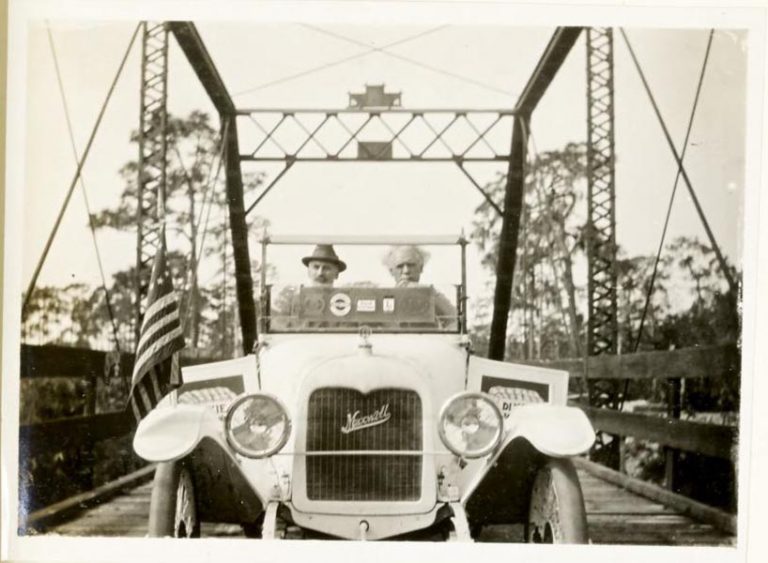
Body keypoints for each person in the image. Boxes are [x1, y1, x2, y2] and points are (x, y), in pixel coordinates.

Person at [383, 245, 458, 329]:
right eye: (400, 266)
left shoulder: (431, 294)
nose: (406, 271)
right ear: (391, 271)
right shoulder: (382, 298)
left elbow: (455, 320)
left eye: (411, 265)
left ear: (420, 267)